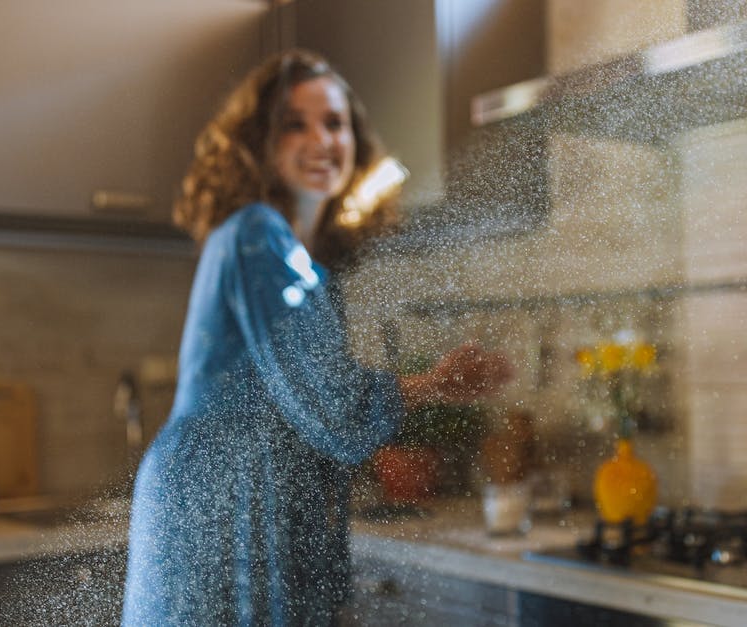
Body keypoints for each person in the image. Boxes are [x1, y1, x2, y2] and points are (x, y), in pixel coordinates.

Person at [121, 49, 511, 626]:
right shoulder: (257, 233)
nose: (322, 141)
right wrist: (436, 382)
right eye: (293, 124)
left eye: (335, 122)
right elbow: (330, 403)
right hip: (221, 505)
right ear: (257, 142)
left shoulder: (296, 255)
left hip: (254, 498)